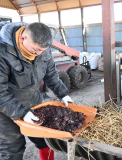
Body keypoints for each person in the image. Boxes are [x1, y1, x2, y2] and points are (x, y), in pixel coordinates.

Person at [0, 22, 73, 160]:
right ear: (23, 38)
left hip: (34, 104)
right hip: (7, 111)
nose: (39, 53)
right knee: (12, 149)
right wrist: (21, 112)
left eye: (42, 50)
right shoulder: (3, 52)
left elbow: (51, 74)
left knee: (44, 140)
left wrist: (63, 94)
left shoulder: (43, 49)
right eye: (35, 50)